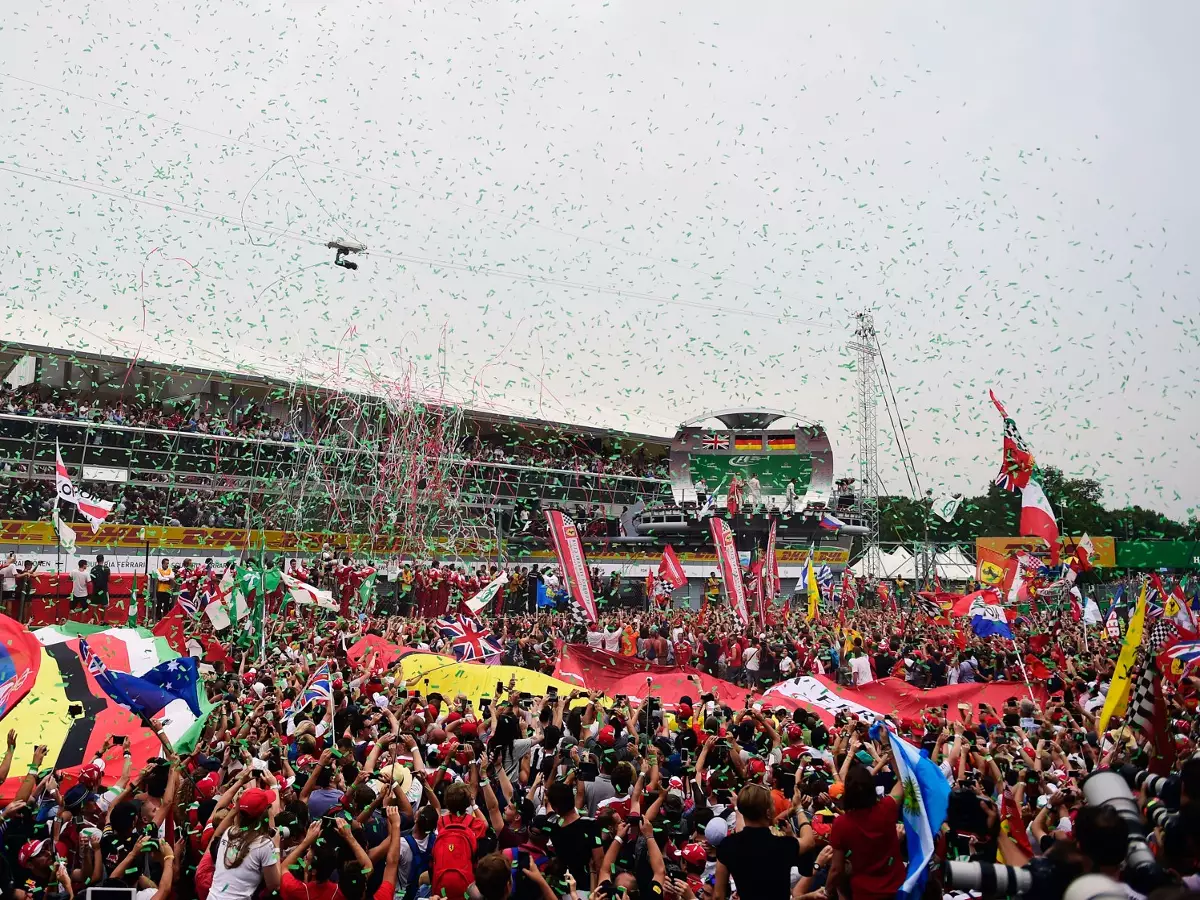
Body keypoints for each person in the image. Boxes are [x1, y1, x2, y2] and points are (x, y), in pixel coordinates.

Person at [714, 782, 814, 899]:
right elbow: (808, 841)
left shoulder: (728, 845)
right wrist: (799, 809)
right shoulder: (783, 845)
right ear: (767, 812)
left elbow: (718, 895)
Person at [827, 761, 906, 900]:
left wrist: (827, 890)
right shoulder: (887, 808)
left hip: (864, 893)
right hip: (896, 889)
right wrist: (888, 747)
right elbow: (903, 782)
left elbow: (836, 869)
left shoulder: (841, 824)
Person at [208, 787, 282, 899]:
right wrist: (276, 848)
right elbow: (275, 885)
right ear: (263, 815)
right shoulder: (263, 844)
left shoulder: (229, 832)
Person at [90, 554, 111, 624]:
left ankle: (95, 621)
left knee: (95, 606)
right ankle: (102, 621)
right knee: (103, 606)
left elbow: (92, 580)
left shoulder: (93, 569)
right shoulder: (107, 569)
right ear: (103, 560)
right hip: (104, 591)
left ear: (96, 560)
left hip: (96, 590)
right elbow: (109, 579)